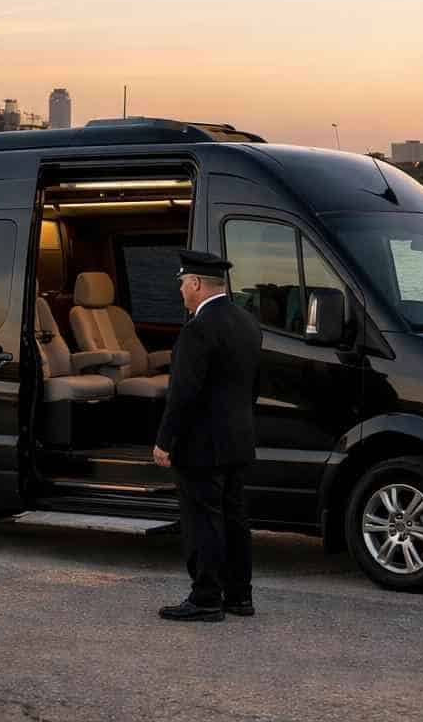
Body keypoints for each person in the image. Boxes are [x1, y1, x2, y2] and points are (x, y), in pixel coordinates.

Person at [152, 249, 262, 622]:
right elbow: (251, 387)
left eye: (184, 284)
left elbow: (184, 392)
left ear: (196, 284)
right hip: (238, 438)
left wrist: (165, 441)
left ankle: (205, 599)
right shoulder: (247, 322)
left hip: (201, 444)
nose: (182, 292)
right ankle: (239, 597)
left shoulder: (198, 329)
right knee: (234, 518)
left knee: (203, 521)